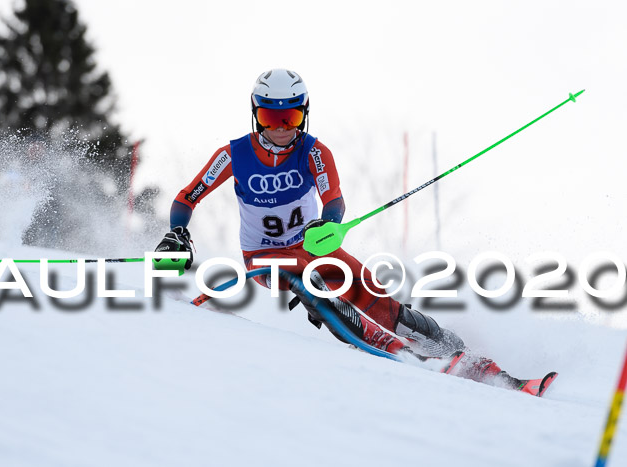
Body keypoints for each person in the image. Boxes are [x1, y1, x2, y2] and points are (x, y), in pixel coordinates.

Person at [155, 69, 547, 393]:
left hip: (310, 245)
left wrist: (329, 225)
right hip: (262, 256)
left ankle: (463, 353)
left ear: (303, 115)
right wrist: (178, 232)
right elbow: (188, 196)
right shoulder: (233, 154)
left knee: (369, 288)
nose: (280, 129)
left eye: (289, 118)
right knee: (308, 281)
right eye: (270, 119)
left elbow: (334, 201)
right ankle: (395, 349)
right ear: (255, 115)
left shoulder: (313, 152)